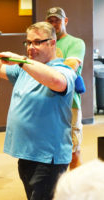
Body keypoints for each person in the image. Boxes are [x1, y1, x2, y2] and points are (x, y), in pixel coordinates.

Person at [0, 22, 76, 200]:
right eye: (28, 43)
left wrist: (21, 61)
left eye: (37, 42)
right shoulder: (26, 69)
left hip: (48, 159)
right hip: (27, 155)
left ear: (52, 43)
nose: (31, 48)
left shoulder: (63, 70)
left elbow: (57, 82)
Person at [46, 7, 86, 170]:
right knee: (51, 152)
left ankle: (75, 191)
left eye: (57, 20)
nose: (54, 23)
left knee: (72, 152)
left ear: (65, 21)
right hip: (47, 103)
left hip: (70, 105)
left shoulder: (76, 43)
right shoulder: (45, 43)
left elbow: (70, 67)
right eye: (50, 20)